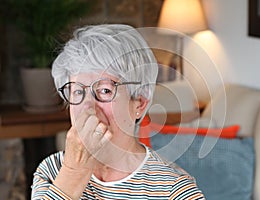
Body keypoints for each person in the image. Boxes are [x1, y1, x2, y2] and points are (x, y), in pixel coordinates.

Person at [31, 24, 205, 199]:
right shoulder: (52, 170)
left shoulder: (175, 190)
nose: (88, 107)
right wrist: (73, 172)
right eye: (78, 91)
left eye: (105, 91)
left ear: (140, 104)